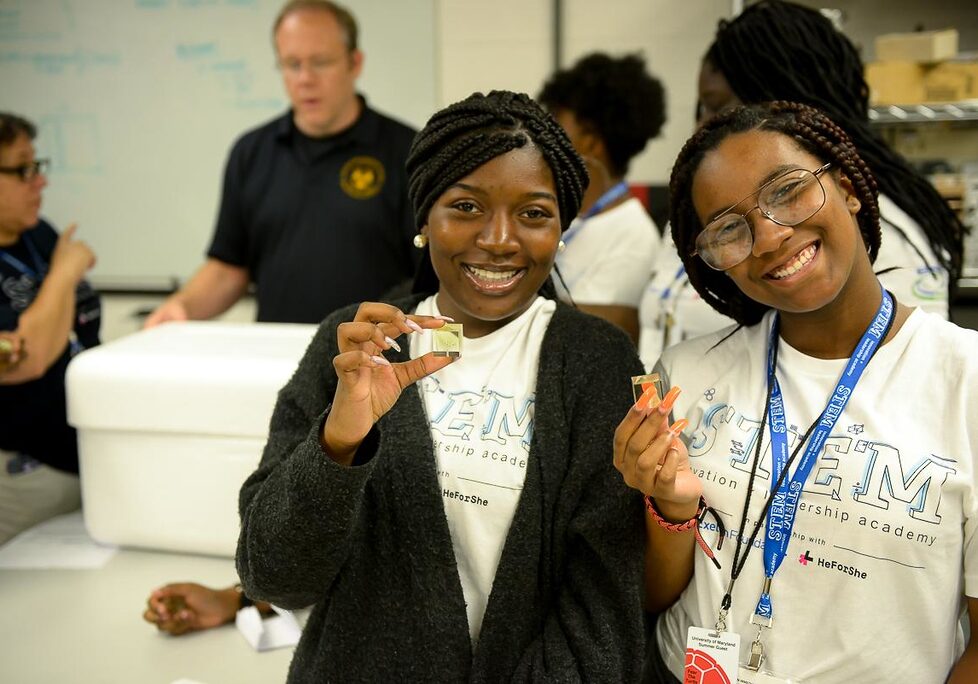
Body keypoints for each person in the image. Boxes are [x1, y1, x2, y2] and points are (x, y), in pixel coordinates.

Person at [234, 90, 647, 680]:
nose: (499, 239)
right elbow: (274, 577)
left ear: (560, 230)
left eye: (533, 213)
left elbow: (603, 612)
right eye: (466, 207)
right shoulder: (353, 343)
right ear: (425, 219)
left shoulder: (594, 361)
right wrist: (338, 442)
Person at [617, 101, 978, 683]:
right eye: (729, 229)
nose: (769, 237)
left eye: (787, 192)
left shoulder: (965, 381)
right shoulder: (685, 375)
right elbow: (653, 597)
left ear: (847, 188)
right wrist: (671, 508)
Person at [638, 0, 965, 368]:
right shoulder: (701, 217)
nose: (705, 125)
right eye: (702, 109)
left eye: (719, 107)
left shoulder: (871, 233)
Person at [145, 0, 418, 327]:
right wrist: (182, 306)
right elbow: (227, 270)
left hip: (375, 363)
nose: (305, 79)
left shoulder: (407, 151)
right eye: (292, 64)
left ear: (354, 63)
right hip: (277, 361)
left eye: (321, 62)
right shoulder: (251, 152)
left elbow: (431, 276)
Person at [0, 112, 100, 546]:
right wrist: (65, 270)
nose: (39, 182)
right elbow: (27, 358)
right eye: (23, 170)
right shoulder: (56, 252)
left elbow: (70, 333)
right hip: (24, 471)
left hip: (84, 456)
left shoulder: (37, 234)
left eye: (37, 167)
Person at [538, 52, 666, 343]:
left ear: (591, 143)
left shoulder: (632, 233)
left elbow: (592, 332)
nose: (543, 138)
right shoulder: (566, 214)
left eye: (557, 125)